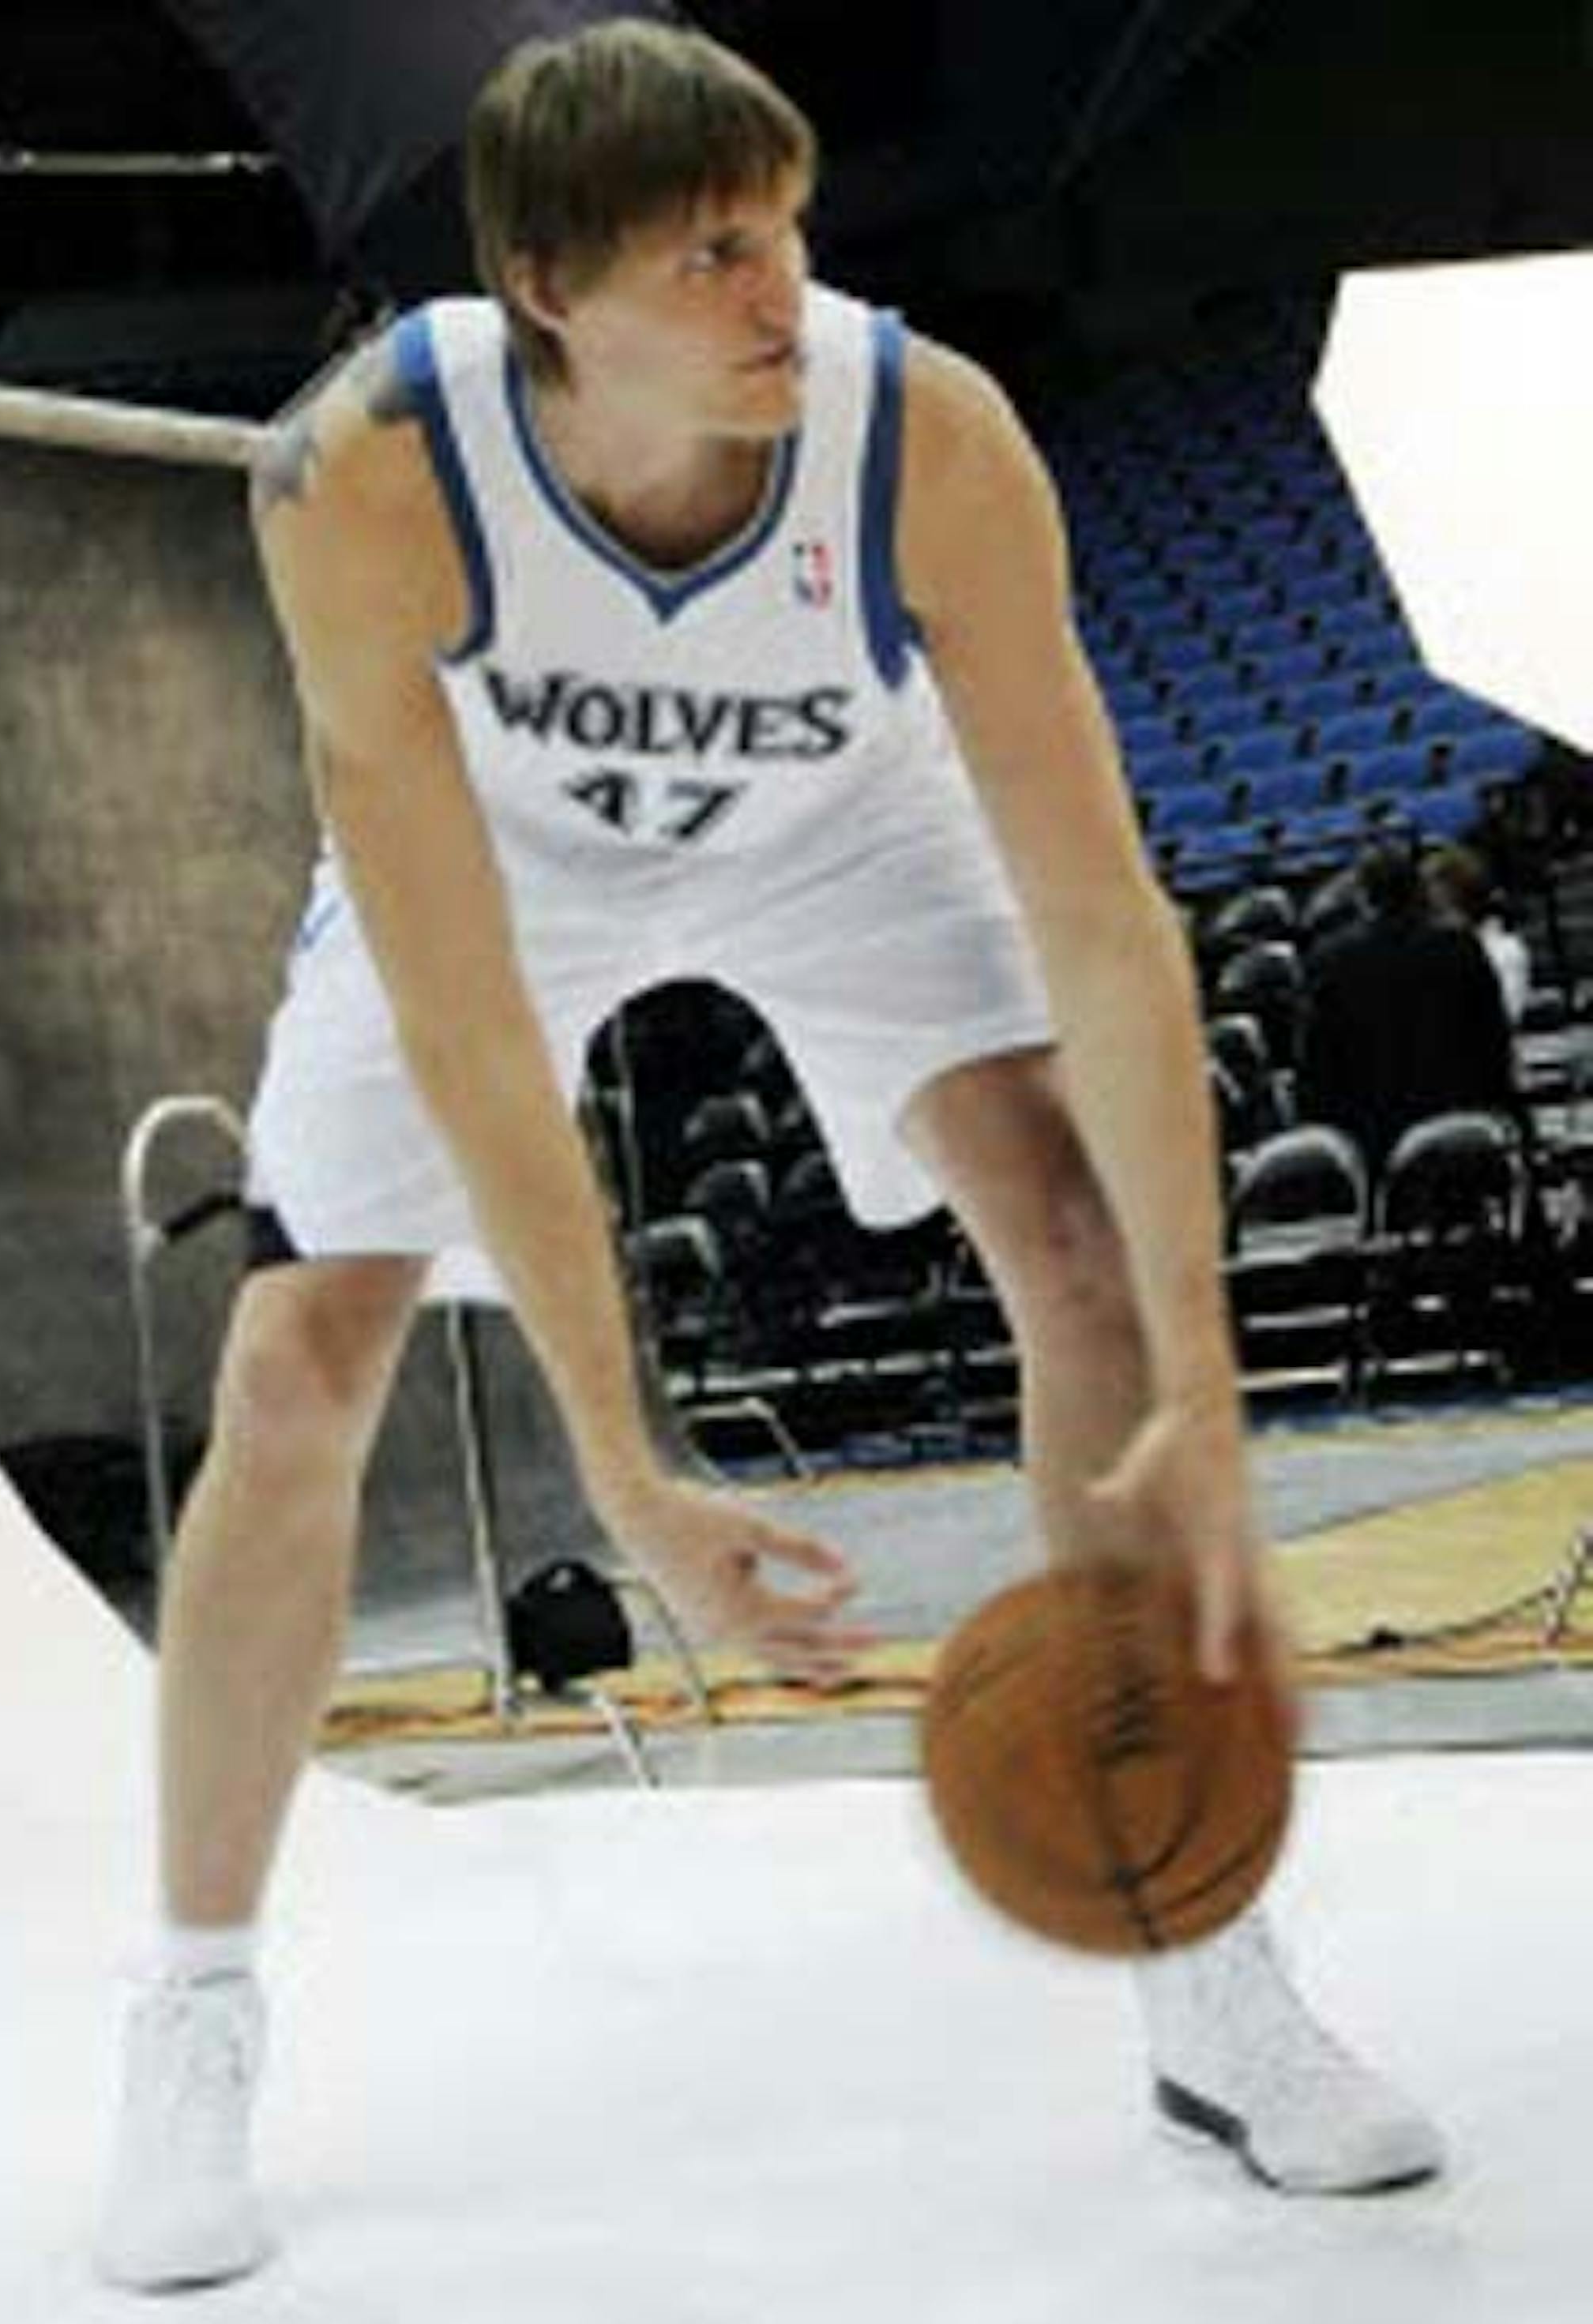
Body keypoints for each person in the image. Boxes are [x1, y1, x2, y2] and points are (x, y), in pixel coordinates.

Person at [95, 22, 1443, 2292]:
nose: (780, 293)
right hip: (504, 858)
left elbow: (1103, 914)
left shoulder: (925, 434)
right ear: (545, 287)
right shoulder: (362, 471)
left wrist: (1209, 1374)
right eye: (712, 255)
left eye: (788, 232)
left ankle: (1200, 1952)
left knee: (1083, 1252)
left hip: (841, 817)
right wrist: (627, 1467)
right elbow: (471, 1028)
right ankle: (192, 2004)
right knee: (295, 1366)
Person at [1298, 840, 1522, 1180]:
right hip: (1462, 1124)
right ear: (1418, 890)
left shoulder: (1329, 961)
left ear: (1363, 897)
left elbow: (1318, 1066)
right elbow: (1493, 1043)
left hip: (1375, 1136)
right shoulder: (1459, 945)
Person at [1424, 840, 1531, 1025]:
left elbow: (1504, 1017)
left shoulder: (1504, 951)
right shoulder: (1435, 952)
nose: (1431, 916)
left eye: (1438, 909)